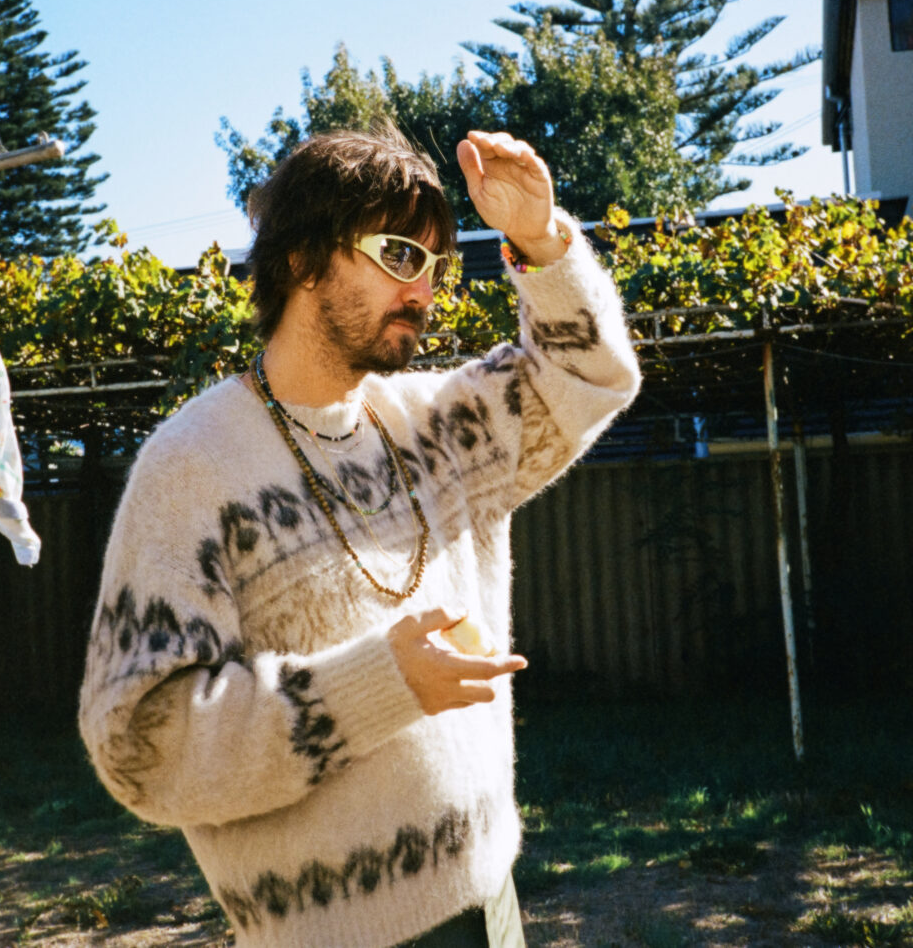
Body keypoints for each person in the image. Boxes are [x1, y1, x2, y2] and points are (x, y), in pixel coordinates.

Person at [78, 124, 640, 947]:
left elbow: (589, 377)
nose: (424, 289)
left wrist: (541, 241)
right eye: (399, 256)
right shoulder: (190, 467)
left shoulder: (432, 421)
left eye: (435, 265)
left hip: (494, 898)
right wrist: (378, 684)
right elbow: (140, 743)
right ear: (304, 259)